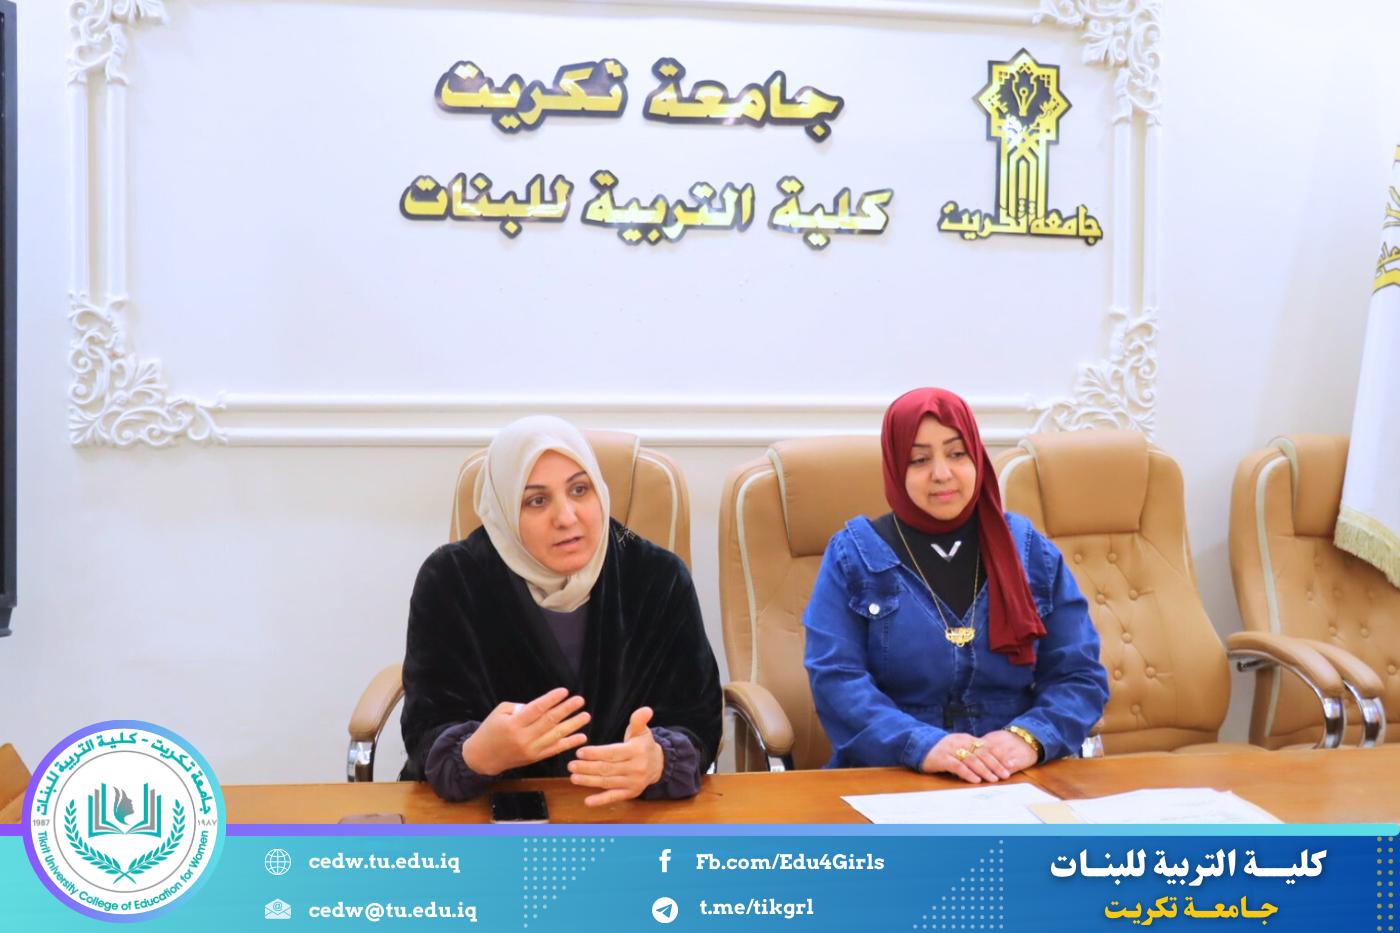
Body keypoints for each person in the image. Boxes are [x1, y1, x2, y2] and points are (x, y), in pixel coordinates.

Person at [400, 416, 721, 805]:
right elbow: (427, 727)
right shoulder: (450, 578)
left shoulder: (657, 575)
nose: (567, 518)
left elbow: (698, 721)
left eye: (579, 490)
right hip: (491, 812)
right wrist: (475, 755)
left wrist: (659, 760)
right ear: (504, 509)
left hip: (626, 811)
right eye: (537, 500)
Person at [803, 387, 1108, 782]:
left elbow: (1079, 676)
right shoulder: (854, 556)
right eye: (919, 459)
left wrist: (1028, 737)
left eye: (957, 454)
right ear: (895, 467)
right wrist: (922, 744)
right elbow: (836, 680)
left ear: (977, 457)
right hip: (892, 772)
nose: (942, 473)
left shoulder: (1030, 551)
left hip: (1013, 773)